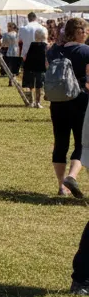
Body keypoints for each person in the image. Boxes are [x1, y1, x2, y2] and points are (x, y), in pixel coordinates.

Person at [47, 18, 89, 199]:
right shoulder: (85, 51)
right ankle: (71, 177)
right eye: (86, 31)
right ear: (79, 32)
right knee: (81, 142)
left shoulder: (53, 51)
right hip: (79, 99)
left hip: (57, 101)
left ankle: (60, 185)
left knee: (60, 142)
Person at [21, 26, 48, 108]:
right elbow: (47, 58)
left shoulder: (32, 44)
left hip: (29, 66)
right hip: (41, 68)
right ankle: (38, 103)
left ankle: (30, 102)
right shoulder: (46, 46)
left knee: (29, 85)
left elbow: (25, 56)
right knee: (39, 86)